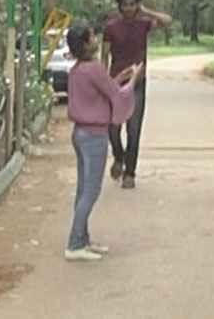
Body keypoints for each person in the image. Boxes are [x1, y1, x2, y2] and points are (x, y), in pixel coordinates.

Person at [64, 22, 142, 262]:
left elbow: (105, 88)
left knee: (82, 189)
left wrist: (121, 76)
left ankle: (83, 238)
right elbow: (116, 95)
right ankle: (75, 243)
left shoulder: (79, 69)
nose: (97, 39)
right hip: (94, 136)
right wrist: (134, 79)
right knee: (92, 190)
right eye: (93, 37)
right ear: (87, 43)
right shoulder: (94, 68)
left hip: (79, 133)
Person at [100, 0, 172, 189]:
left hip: (137, 82)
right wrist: (104, 82)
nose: (129, 8)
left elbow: (167, 21)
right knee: (112, 127)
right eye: (125, 5)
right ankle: (119, 157)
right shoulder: (111, 28)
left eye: (133, 4)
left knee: (134, 128)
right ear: (120, 7)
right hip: (115, 82)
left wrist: (146, 11)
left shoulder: (144, 24)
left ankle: (130, 173)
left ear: (137, 5)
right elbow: (104, 56)